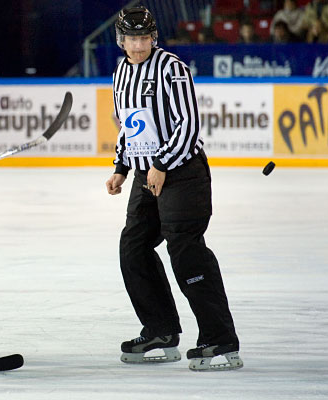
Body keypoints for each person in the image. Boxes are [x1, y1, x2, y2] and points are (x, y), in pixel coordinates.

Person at [105, 6, 242, 372]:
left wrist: (162, 164)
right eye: (131, 38)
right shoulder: (121, 71)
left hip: (181, 172)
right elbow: (128, 125)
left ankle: (220, 338)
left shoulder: (171, 69)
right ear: (121, 40)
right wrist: (121, 166)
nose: (138, 45)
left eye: (144, 38)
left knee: (185, 250)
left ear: (153, 37)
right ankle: (160, 330)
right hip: (145, 173)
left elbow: (189, 123)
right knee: (133, 246)